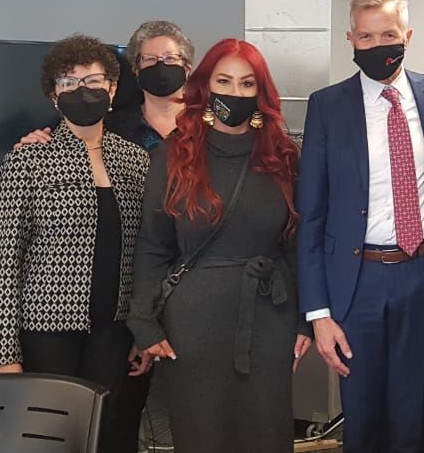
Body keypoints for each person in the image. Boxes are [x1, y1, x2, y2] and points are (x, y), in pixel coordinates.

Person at [127, 38, 312, 453]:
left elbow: (296, 245)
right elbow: (153, 246)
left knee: (266, 435)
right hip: (193, 327)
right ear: (205, 89)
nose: (235, 93)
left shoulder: (285, 158)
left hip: (270, 318)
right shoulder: (174, 157)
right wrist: (144, 322)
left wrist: (304, 321)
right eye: (223, 81)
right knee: (202, 436)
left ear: (261, 92)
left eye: (248, 84)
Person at [297, 0, 424, 453]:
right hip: (356, 280)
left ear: (408, 34)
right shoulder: (326, 106)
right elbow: (312, 217)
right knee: (361, 417)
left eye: (387, 33)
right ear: (351, 39)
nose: (377, 44)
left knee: (416, 414)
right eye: (365, 36)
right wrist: (317, 315)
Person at [0, 34, 152, 452]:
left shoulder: (136, 160)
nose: (84, 91)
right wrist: (2, 350)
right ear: (52, 94)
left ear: (113, 89)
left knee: (112, 434)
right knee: (51, 438)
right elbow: (6, 261)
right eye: (69, 82)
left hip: (115, 332)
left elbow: (146, 253)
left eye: (94, 80)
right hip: (46, 332)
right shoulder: (28, 158)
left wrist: (143, 330)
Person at [18, 20, 194, 151]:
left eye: (170, 58)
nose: (160, 66)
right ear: (136, 69)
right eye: (150, 59)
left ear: (187, 68)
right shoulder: (108, 127)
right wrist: (36, 144)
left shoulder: (207, 125)